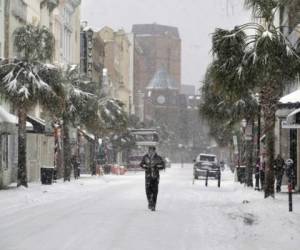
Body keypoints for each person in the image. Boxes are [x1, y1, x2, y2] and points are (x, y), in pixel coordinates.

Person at [140, 146, 165, 211]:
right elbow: (141, 164)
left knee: (155, 191)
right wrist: (145, 167)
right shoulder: (145, 157)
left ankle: (153, 205)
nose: (150, 151)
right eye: (149, 150)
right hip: (148, 177)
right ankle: (150, 202)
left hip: (155, 177)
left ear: (154, 151)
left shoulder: (158, 158)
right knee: (148, 191)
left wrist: (157, 167)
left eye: (152, 150)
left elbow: (163, 166)